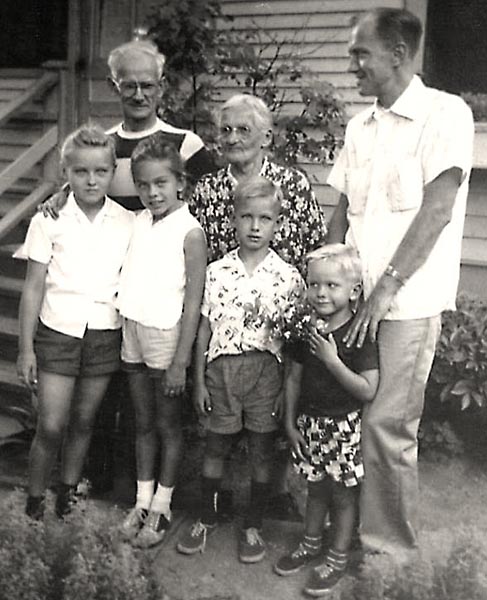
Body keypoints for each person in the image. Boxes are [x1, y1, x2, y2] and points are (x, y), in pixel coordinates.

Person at [326, 7, 474, 555]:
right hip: (354, 300)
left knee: (387, 427)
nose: (352, 64)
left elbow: (436, 210)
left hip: (405, 303)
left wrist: (386, 287)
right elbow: (342, 209)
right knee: (345, 417)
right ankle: (343, 537)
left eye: (360, 53)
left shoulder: (446, 114)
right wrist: (329, 274)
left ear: (398, 54)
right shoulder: (358, 125)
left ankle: (390, 557)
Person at [189, 93, 327, 517]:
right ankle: (221, 497)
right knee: (223, 421)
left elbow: (313, 247)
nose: (232, 138)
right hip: (224, 320)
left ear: (267, 136)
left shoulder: (294, 185)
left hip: (278, 324)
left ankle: (272, 496)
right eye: (225, 130)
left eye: (243, 129)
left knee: (274, 418)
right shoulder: (208, 189)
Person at [177, 176, 305, 563]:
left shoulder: (288, 278)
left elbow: (293, 341)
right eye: (246, 217)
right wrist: (198, 380)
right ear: (233, 219)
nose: (254, 226)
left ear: (277, 224)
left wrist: (286, 390)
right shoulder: (217, 271)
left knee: (262, 452)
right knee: (215, 445)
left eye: (264, 219)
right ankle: (207, 514)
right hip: (222, 372)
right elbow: (203, 330)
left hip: (266, 374)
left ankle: (253, 524)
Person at [15, 124, 134, 519]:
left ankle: (66, 493)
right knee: (50, 425)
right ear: (66, 172)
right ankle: (33, 502)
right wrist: (25, 348)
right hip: (57, 332)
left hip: (104, 332)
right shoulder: (48, 220)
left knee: (84, 422)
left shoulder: (126, 221)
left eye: (101, 171)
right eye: (80, 171)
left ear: (112, 171)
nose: (91, 179)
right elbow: (33, 288)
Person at [117, 134, 207, 548]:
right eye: (144, 185)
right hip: (131, 330)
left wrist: (181, 362)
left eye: (161, 184)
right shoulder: (135, 222)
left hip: (166, 337)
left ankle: (163, 506)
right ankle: (141, 501)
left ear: (179, 184)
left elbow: (193, 302)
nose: (153, 193)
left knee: (169, 424)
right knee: (142, 422)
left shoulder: (190, 231)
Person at [274, 244, 379, 596]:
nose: (321, 292)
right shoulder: (306, 330)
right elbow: (293, 379)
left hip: (344, 427)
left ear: (354, 291)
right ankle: (310, 542)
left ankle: (337, 555)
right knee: (315, 489)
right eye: (315, 284)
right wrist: (290, 423)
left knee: (343, 495)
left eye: (332, 285)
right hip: (309, 424)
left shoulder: (359, 333)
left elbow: (366, 389)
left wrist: (333, 360)